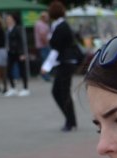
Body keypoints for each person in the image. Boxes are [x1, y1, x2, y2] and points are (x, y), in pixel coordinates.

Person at [41, 1, 79, 131]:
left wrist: (46, 66)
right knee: (59, 92)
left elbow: (56, 48)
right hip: (64, 62)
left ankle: (70, 121)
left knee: (62, 92)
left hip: (65, 62)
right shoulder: (58, 25)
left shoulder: (61, 26)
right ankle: (70, 120)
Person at [5, 14, 29, 97]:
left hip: (18, 52)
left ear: (13, 20)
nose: (8, 20)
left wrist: (22, 53)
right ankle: (13, 88)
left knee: (22, 70)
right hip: (10, 52)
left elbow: (21, 41)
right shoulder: (7, 30)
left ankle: (25, 88)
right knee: (8, 70)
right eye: (7, 19)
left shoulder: (18, 28)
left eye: (9, 18)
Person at [34, 11, 51, 82]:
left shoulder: (40, 24)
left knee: (44, 60)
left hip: (42, 45)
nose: (48, 18)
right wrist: (47, 43)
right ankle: (45, 76)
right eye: (47, 17)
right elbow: (42, 35)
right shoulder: (41, 24)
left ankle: (45, 75)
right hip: (43, 45)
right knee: (46, 61)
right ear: (43, 17)